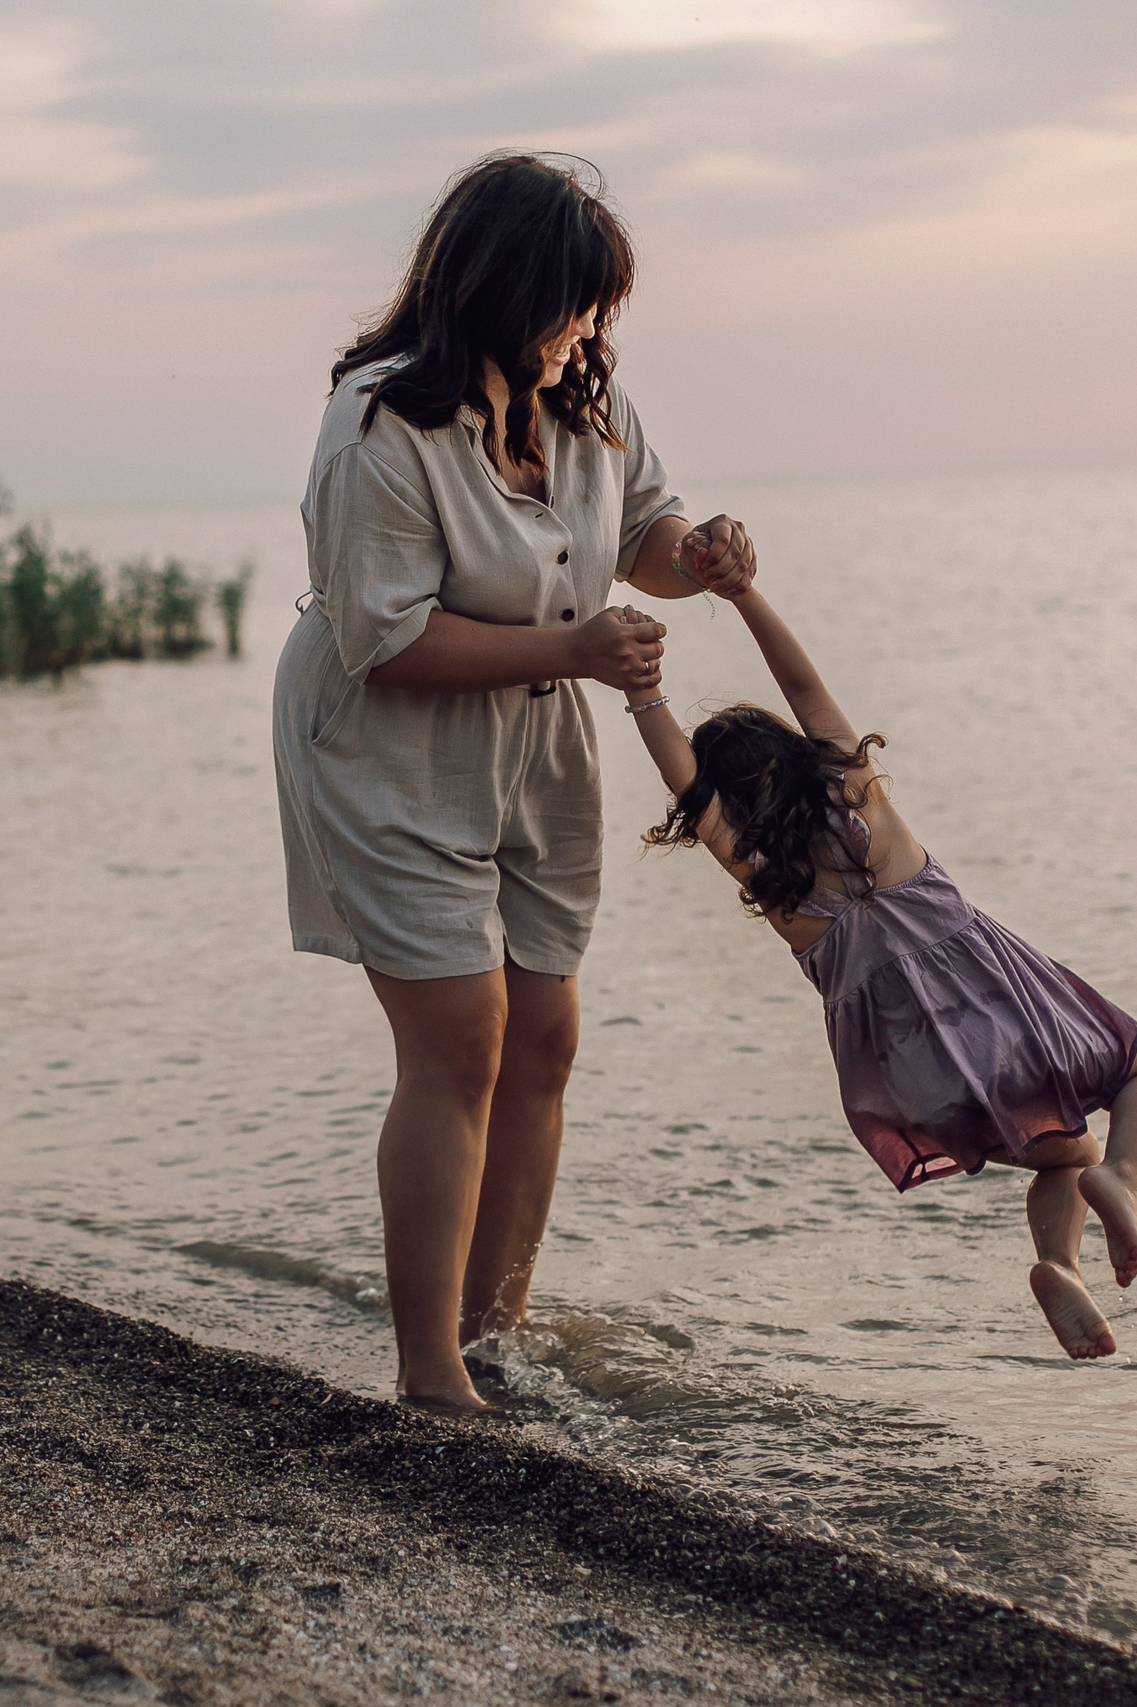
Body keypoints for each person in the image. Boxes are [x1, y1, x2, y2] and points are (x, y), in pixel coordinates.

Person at [273, 153, 757, 1411]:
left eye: (600, 308)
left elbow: (640, 537)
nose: (587, 330)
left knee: (544, 1035)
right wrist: (576, 649)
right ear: (497, 287)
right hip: (387, 737)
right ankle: (430, 1370)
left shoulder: (585, 401)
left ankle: (500, 1332)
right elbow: (384, 638)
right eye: (571, 304)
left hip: (537, 740)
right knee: (459, 1039)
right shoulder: (379, 425)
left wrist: (693, 557)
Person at [613, 587, 1137, 1360]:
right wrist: (743, 592)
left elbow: (686, 781)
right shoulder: (862, 802)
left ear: (727, 807)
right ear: (794, 757)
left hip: (920, 1079)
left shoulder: (764, 876)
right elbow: (805, 686)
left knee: (1063, 1153)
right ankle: (1123, 1176)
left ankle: (1061, 1264)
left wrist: (643, 690)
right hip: (1007, 1019)